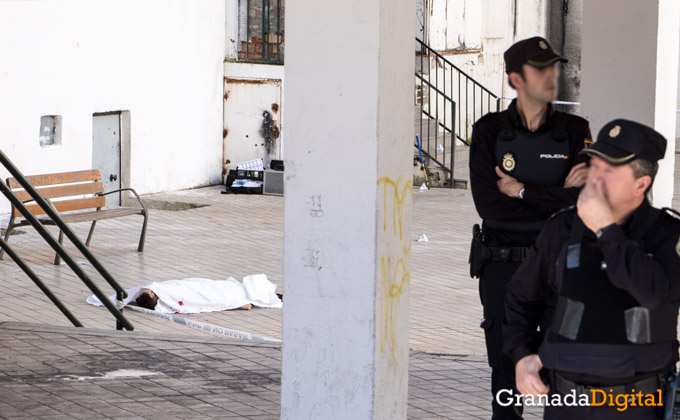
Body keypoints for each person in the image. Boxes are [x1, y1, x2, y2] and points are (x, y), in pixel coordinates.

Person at [503, 119, 680, 419]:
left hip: (637, 405)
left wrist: (606, 231)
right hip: (567, 401)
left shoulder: (668, 235)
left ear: (642, 184)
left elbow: (654, 294)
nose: (595, 178)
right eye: (594, 166)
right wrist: (522, 355)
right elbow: (520, 296)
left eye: (608, 172)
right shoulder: (561, 228)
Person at [468, 36, 591, 419]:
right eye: (540, 69)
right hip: (504, 266)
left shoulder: (575, 129)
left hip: (563, 265)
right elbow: (490, 205)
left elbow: (587, 202)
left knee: (565, 371)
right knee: (507, 374)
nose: (551, 76)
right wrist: (556, 195)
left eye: (553, 67)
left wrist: (520, 190)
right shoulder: (489, 131)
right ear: (516, 78)